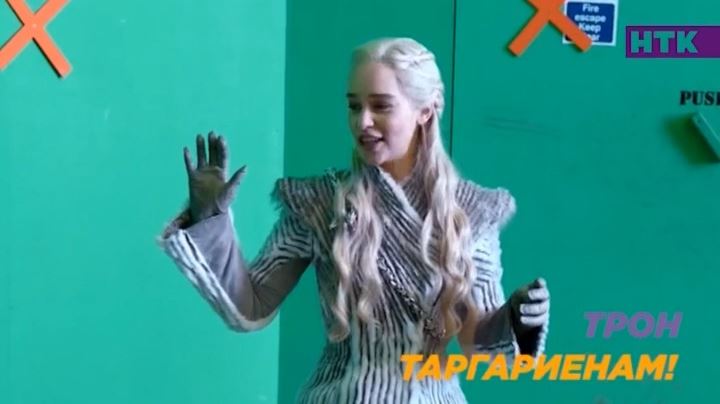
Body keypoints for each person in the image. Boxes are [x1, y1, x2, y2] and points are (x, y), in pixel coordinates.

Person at [157, 37, 550, 404]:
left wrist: (516, 320)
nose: (362, 121)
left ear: (425, 111)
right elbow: (250, 308)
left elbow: (477, 345)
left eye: (381, 106)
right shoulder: (318, 202)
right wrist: (210, 221)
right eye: (353, 106)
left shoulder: (471, 212)